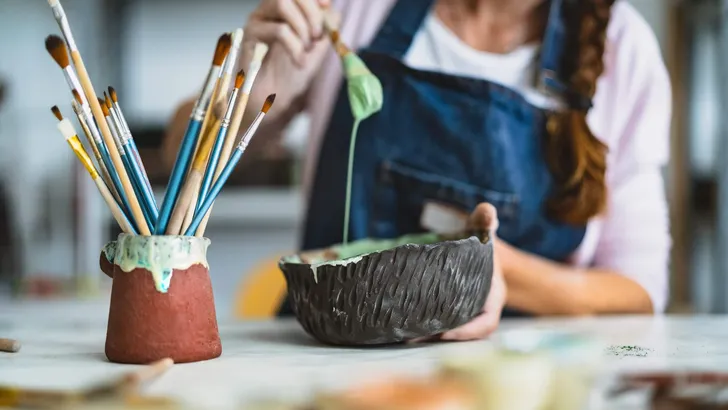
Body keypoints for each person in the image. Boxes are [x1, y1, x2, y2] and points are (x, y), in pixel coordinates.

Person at [165, 0, 671, 340]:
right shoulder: (353, 10)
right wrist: (250, 95)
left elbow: (639, 291)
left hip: (518, 384)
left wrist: (500, 272)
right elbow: (176, 164)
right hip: (325, 370)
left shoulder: (622, 48)